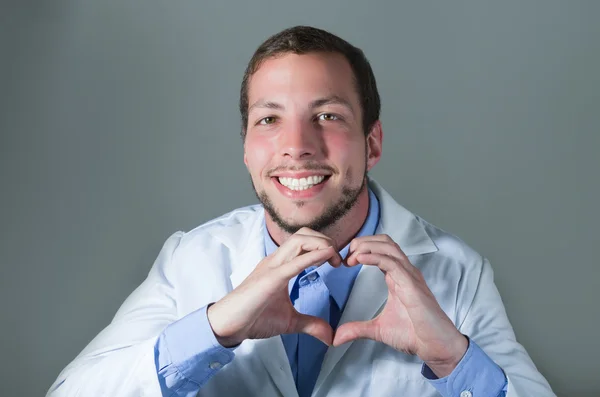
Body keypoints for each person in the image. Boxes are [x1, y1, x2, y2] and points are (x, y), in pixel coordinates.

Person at [47, 26, 555, 397]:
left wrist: (451, 358)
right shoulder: (190, 260)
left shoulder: (457, 272)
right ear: (246, 149)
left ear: (371, 143)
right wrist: (213, 330)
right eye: (269, 119)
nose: (296, 146)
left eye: (327, 116)